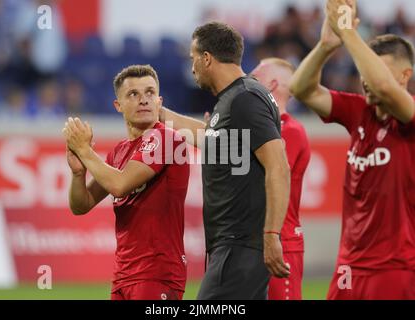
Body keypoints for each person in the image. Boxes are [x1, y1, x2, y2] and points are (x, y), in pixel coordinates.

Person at [289, 0, 415, 299]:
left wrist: (349, 33)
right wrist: (324, 46)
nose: (366, 80)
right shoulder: (359, 112)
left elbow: (384, 87)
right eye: (363, 68)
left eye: (376, 70)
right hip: (349, 267)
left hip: (394, 268)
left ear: (405, 77)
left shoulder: (409, 118)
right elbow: (301, 89)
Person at [161, 22, 291, 299]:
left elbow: (278, 166)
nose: (192, 66)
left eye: (193, 58)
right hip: (233, 245)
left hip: (240, 245)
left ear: (206, 58)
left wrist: (271, 234)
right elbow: (209, 137)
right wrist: (156, 113)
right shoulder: (235, 98)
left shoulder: (244, 99)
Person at [62, 65, 190, 300]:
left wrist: (84, 150)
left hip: (157, 273)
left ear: (159, 102)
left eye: (150, 93)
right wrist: (78, 174)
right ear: (118, 106)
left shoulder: (166, 138)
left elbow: (119, 185)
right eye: (133, 94)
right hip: (124, 274)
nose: (144, 100)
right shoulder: (119, 152)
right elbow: (81, 205)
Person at [251, 58, 311, 300]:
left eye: (254, 80)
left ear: (272, 85)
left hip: (280, 241)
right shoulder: (262, 129)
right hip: (257, 241)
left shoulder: (289, 131)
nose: (247, 85)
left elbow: (267, 175)